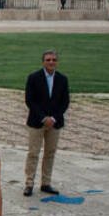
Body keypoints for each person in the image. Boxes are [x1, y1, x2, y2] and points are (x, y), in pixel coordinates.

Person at [23, 50, 69, 197]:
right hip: (37, 122)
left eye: (54, 60)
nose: (51, 62)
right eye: (48, 60)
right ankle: (29, 183)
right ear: (43, 61)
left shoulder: (62, 79)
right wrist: (44, 118)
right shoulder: (33, 78)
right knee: (33, 153)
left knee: (50, 153)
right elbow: (30, 100)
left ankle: (46, 183)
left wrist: (54, 118)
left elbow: (65, 102)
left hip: (55, 123)